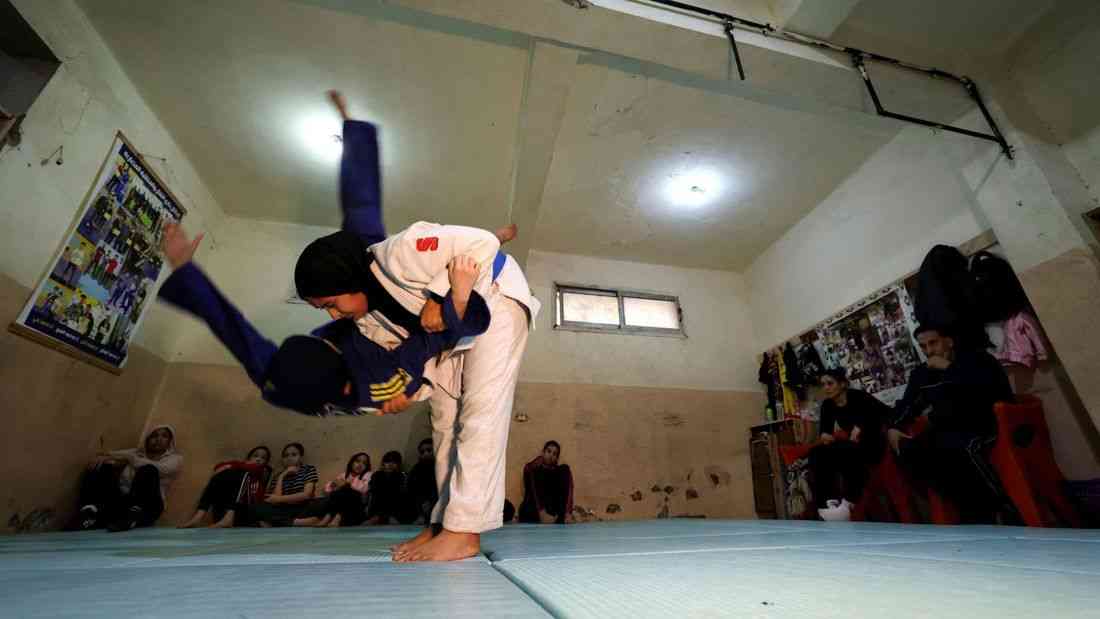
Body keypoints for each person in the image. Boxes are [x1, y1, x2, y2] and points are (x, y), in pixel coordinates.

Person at [294, 91, 539, 562]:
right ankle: (443, 522)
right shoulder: (371, 319)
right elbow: (414, 352)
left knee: (480, 415)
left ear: (345, 279)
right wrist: (412, 388)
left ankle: (466, 533)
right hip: (454, 334)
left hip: (497, 298)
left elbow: (483, 242)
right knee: (444, 423)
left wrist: (436, 295)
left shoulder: (404, 250)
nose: (331, 313)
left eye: (329, 302)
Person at [157, 222, 491, 417]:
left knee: (254, 351)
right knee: (448, 330)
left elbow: (231, 327)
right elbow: (430, 341)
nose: (333, 314)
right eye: (326, 309)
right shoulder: (377, 379)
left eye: (329, 305)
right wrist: (450, 304)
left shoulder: (275, 369)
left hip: (319, 367)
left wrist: (185, 271)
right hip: (376, 376)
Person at [887, 324, 1014, 523]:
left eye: (933, 343)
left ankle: (998, 508)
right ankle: (968, 506)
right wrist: (894, 427)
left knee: (956, 447)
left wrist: (949, 368)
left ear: (949, 341)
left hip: (982, 423)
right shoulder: (922, 373)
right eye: (923, 347)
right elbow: (908, 404)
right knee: (910, 450)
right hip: (945, 428)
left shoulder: (977, 360)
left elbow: (994, 391)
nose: (929, 351)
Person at [806, 368, 891, 511]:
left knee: (846, 450)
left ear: (843, 384)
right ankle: (827, 503)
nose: (826, 388)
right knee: (816, 453)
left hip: (873, 444)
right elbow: (825, 432)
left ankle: (850, 500)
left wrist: (863, 425)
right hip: (853, 445)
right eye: (823, 384)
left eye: (830, 383)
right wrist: (825, 437)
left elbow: (888, 413)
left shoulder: (859, 397)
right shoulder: (827, 405)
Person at [77, 425, 182, 532]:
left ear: (170, 441)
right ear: (147, 439)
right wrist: (101, 458)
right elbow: (109, 454)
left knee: (149, 469)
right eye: (154, 436)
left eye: (164, 436)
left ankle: (132, 515)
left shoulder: (175, 459)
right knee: (104, 466)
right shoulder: (136, 453)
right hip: (125, 502)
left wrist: (130, 458)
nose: (158, 439)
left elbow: (162, 469)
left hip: (149, 507)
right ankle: (89, 511)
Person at [179, 445, 272, 529]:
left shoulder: (263, 471)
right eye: (255, 456)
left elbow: (251, 469)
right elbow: (219, 467)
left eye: (263, 458)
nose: (258, 459)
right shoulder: (238, 468)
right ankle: (198, 517)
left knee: (244, 473)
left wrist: (231, 466)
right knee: (220, 475)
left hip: (246, 512)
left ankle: (228, 518)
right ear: (248, 458)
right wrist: (230, 467)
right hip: (223, 512)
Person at [246, 443, 318, 527]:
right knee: (255, 507)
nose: (289, 458)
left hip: (303, 506)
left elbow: (307, 495)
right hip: (283, 509)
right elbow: (275, 501)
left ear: (300, 457)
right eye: (286, 456)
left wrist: (279, 499)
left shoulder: (308, 469)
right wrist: (282, 476)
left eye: (294, 455)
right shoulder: (278, 475)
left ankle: (273, 522)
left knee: (321, 503)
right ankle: (295, 522)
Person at [294, 452, 372, 527]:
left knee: (347, 490)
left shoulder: (367, 475)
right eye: (357, 461)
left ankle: (336, 517)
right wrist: (334, 485)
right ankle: (328, 517)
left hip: (356, 507)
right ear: (351, 463)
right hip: (339, 504)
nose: (360, 464)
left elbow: (363, 490)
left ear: (367, 467)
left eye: (364, 463)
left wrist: (347, 485)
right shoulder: (344, 475)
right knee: (336, 493)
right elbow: (327, 490)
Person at [518, 441, 575, 524]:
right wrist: (541, 512)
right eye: (548, 451)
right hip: (535, 509)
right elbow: (528, 469)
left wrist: (568, 512)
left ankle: (566, 515)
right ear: (543, 452)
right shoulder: (534, 468)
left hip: (551, 509)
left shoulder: (558, 471)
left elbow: (567, 487)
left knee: (565, 469)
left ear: (557, 458)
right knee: (536, 470)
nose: (551, 455)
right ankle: (543, 514)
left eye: (554, 454)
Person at [365, 451, 408, 525]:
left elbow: (401, 494)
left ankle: (387, 517)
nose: (390, 464)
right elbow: (373, 493)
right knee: (381, 489)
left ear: (398, 464)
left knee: (393, 490)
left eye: (394, 462)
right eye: (388, 461)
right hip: (377, 509)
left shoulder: (402, 476)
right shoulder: (377, 475)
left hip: (394, 510)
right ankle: (378, 516)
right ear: (383, 464)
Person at [405, 438, 437, 525]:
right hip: (420, 504)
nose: (426, 454)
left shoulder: (442, 466)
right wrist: (423, 501)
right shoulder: (416, 469)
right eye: (422, 452)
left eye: (429, 450)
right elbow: (412, 488)